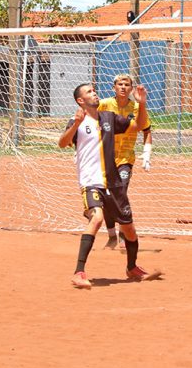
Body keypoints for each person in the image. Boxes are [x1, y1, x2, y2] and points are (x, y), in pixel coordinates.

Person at [58, 82, 162, 289]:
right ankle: (79, 272)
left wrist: (142, 104)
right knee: (96, 218)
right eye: (89, 92)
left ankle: (132, 268)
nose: (94, 93)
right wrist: (76, 124)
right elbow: (62, 143)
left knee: (130, 230)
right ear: (80, 100)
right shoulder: (76, 120)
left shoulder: (108, 118)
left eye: (94, 90)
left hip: (113, 184)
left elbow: (138, 126)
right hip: (90, 181)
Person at [97, 73, 153, 250]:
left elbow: (146, 129)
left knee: (120, 192)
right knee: (106, 197)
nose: (123, 87)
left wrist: (147, 152)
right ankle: (111, 236)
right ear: (114, 87)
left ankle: (123, 235)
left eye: (126, 84)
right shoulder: (104, 104)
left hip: (126, 158)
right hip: (104, 157)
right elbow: (88, 120)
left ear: (131, 88)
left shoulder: (136, 107)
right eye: (119, 84)